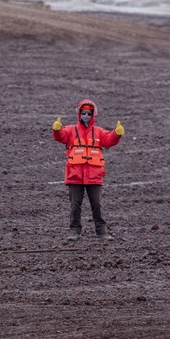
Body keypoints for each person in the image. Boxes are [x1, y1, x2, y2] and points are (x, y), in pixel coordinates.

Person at [52, 98, 124, 242]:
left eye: (89, 113)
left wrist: (116, 134)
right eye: (84, 113)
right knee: (75, 205)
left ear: (93, 115)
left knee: (96, 204)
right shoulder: (71, 130)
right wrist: (57, 130)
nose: (86, 116)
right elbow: (61, 137)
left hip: (94, 175)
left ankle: (102, 231)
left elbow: (108, 139)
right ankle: (74, 231)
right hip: (75, 175)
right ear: (79, 114)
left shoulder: (98, 132)